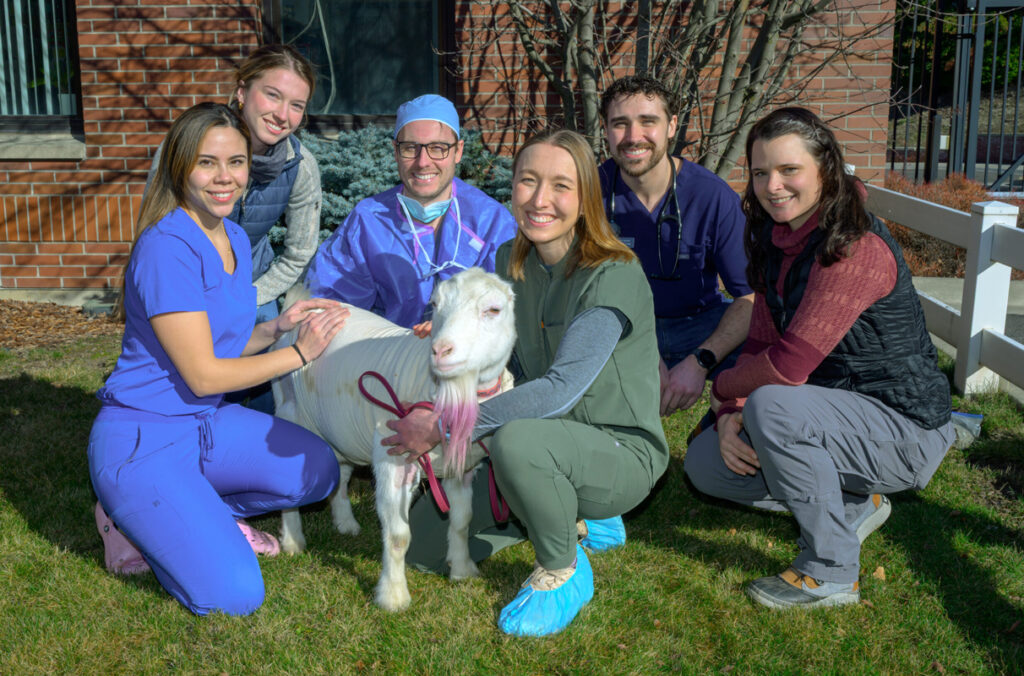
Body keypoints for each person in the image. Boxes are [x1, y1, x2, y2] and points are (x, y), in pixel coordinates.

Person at [384, 129, 669, 637]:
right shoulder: (507, 266)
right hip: (541, 440)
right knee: (430, 549)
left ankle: (563, 568)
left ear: (585, 199)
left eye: (560, 186)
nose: (540, 200)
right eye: (528, 181)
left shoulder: (614, 274)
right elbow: (497, 358)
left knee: (513, 438)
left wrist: (448, 427)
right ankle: (579, 520)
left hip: (619, 451)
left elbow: (561, 389)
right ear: (511, 188)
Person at [683, 108, 954, 610]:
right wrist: (726, 415)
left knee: (770, 406)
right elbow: (760, 342)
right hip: (828, 413)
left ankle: (831, 570)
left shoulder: (853, 248)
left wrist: (722, 388)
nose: (772, 185)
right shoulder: (773, 238)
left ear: (825, 169)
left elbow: (786, 367)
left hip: (905, 429)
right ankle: (854, 503)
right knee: (706, 465)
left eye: (790, 170)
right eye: (761, 172)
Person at [89, 103, 348, 616]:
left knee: (317, 472)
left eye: (236, 162)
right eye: (207, 163)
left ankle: (193, 515)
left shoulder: (229, 235)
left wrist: (275, 328)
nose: (224, 177)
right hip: (145, 438)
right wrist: (296, 353)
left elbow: (220, 345)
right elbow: (205, 374)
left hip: (204, 424)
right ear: (180, 166)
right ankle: (129, 518)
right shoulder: (166, 248)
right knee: (235, 596)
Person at [146, 45, 323, 412]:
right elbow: (155, 227)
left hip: (253, 285)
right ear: (242, 92)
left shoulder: (300, 167)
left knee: (264, 397)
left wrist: (254, 295)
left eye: (296, 105)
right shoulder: (185, 146)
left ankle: (252, 435)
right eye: (272, 95)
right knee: (185, 384)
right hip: (188, 283)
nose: (282, 114)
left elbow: (300, 251)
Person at [598, 76, 755, 417]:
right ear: (606, 130)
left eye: (647, 122)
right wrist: (641, 352)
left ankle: (723, 430)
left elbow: (750, 296)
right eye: (620, 124)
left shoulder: (711, 196)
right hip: (620, 327)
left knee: (763, 349)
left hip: (698, 326)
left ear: (671, 126)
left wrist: (701, 360)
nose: (633, 137)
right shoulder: (589, 194)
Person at [304, 94, 517, 329]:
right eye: (410, 148)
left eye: (438, 148)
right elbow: (328, 304)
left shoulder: (491, 222)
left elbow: (510, 310)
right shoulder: (369, 222)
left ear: (458, 152)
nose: (423, 161)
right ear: (395, 151)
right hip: (384, 357)